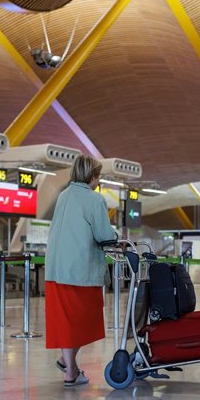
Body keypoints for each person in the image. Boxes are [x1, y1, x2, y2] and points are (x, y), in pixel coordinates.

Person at [45, 155, 116, 387]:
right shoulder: (94, 199)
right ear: (92, 176)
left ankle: (68, 365)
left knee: (67, 320)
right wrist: (117, 238)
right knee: (83, 319)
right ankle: (70, 369)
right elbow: (104, 235)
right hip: (80, 271)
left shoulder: (63, 196)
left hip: (56, 270)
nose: (98, 180)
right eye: (98, 176)